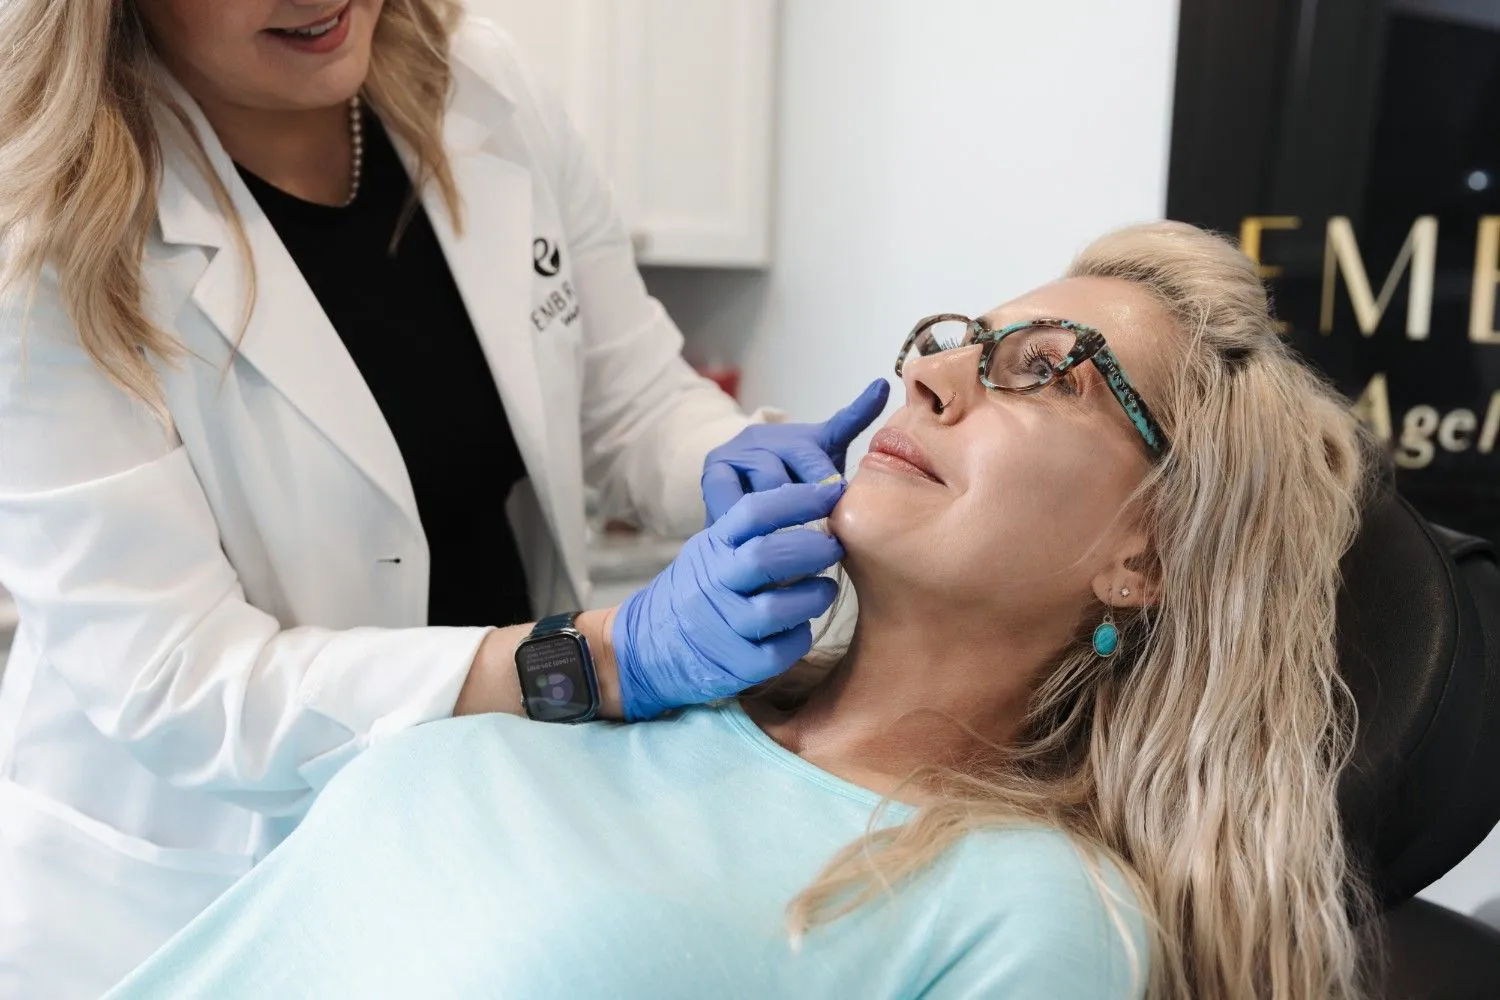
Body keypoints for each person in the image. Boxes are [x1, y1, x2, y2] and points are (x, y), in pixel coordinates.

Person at [106, 223, 1379, 1000]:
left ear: (1146, 557)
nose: (927, 378)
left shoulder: (1025, 912)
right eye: (953, 339)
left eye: (1046, 372)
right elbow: (190, 695)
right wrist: (613, 659)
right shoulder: (639, 689)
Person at [0, 2, 888, 995]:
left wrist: (726, 457)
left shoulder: (482, 87)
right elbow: (186, 685)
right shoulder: (43, 239)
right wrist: (596, 660)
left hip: (493, 818)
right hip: (214, 877)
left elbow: (632, 395)